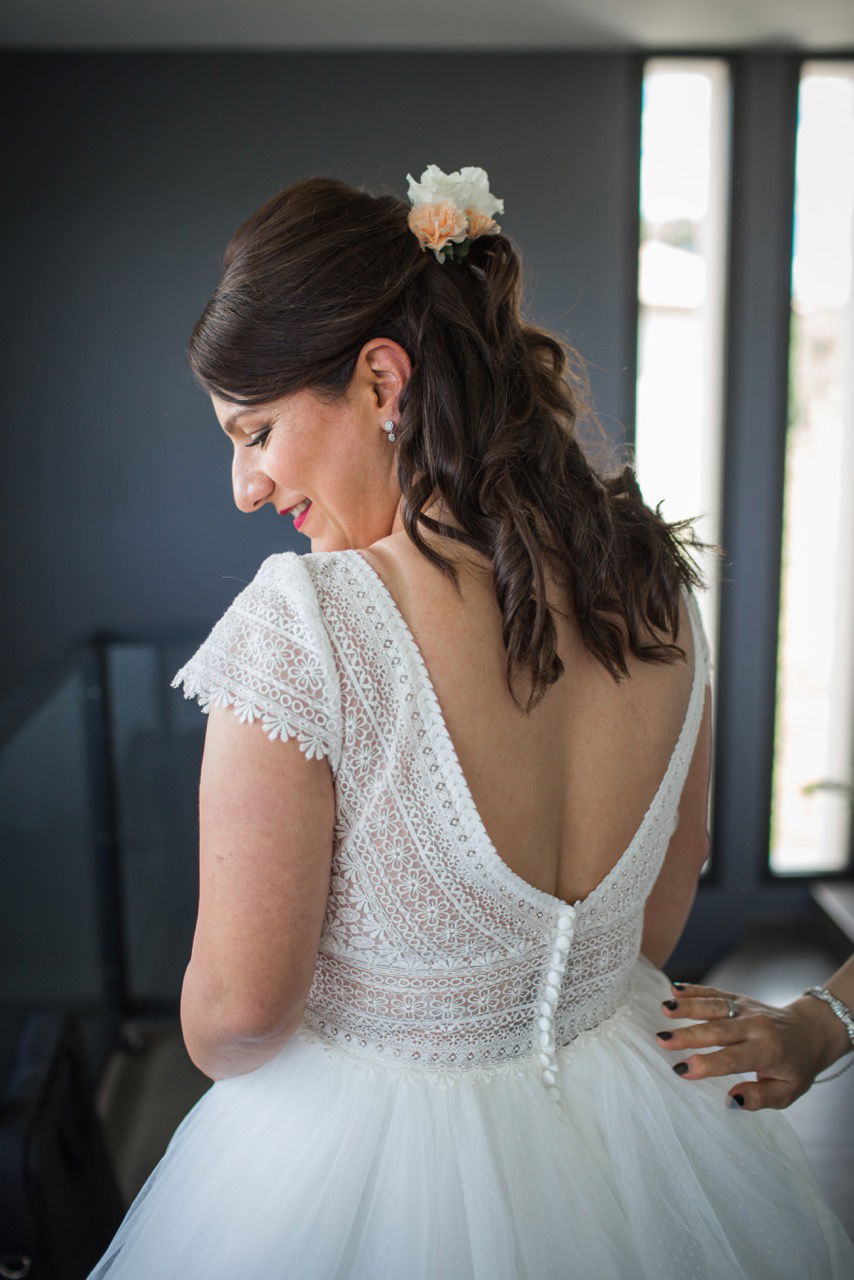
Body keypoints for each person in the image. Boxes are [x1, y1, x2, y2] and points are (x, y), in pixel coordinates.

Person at [88, 165, 854, 1277]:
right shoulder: (651, 585)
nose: (244, 486)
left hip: (365, 1176)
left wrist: (207, 1021)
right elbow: (651, 924)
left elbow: (242, 1014)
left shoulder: (308, 621)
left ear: (380, 381)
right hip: (644, 1150)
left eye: (255, 432)